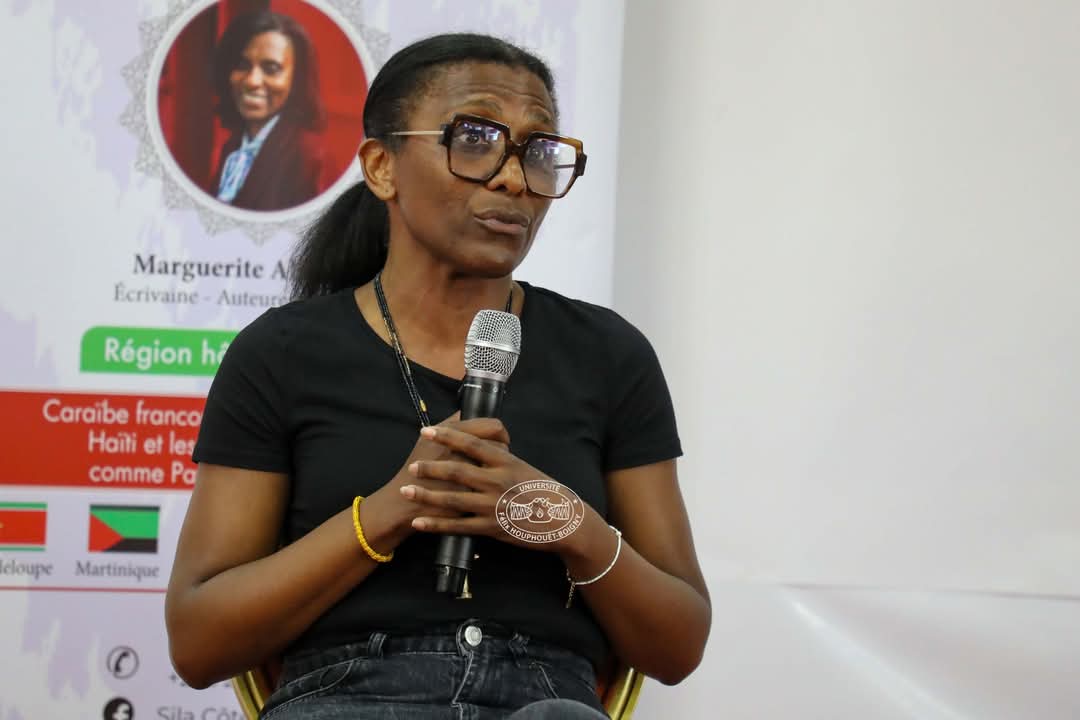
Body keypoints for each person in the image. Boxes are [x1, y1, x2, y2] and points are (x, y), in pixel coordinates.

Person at [166, 32, 711, 719]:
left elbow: (678, 645)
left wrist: (561, 518)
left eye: (538, 151)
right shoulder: (282, 354)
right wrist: (394, 510)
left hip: (541, 701)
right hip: (347, 697)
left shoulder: (608, 355)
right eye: (476, 139)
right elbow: (198, 642)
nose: (513, 179)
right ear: (382, 167)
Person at [209, 10, 329, 211]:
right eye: (242, 65)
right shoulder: (232, 148)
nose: (252, 81)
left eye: (271, 69)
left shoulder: (311, 159)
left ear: (296, 80)